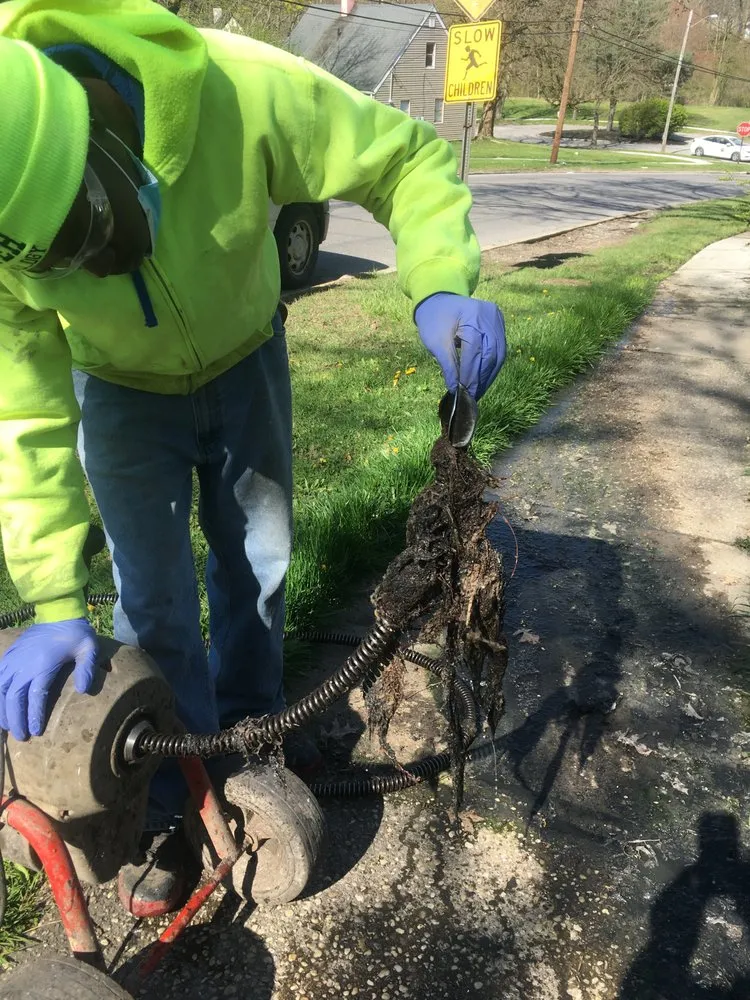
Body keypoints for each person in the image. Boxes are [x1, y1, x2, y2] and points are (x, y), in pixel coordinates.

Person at [0, 0, 506, 917]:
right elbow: (23, 412)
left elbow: (406, 155)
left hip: (244, 361)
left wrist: (439, 279)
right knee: (153, 603)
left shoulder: (239, 85)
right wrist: (50, 597)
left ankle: (256, 734)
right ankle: (177, 796)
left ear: (98, 134)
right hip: (115, 390)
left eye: (89, 230)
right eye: (60, 261)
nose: (93, 264)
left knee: (258, 565)